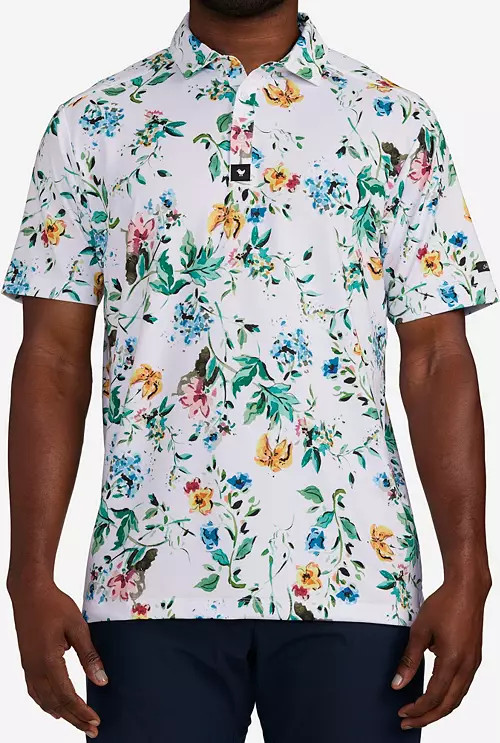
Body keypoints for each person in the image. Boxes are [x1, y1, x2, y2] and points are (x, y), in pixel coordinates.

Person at [4, 0, 497, 740]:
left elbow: (436, 358)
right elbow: (52, 358)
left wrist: (469, 571)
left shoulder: (394, 120)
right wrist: (28, 575)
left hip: (358, 580)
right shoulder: (93, 123)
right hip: (146, 582)